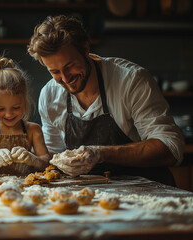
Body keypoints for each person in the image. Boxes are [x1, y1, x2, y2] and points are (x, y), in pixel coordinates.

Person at [27, 15, 184, 186]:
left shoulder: (131, 81)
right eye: (55, 71)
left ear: (86, 48)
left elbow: (171, 148)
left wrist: (101, 153)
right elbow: (54, 157)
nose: (65, 78)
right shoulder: (50, 95)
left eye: (69, 66)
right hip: (92, 196)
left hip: (148, 191)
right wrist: (32, 159)